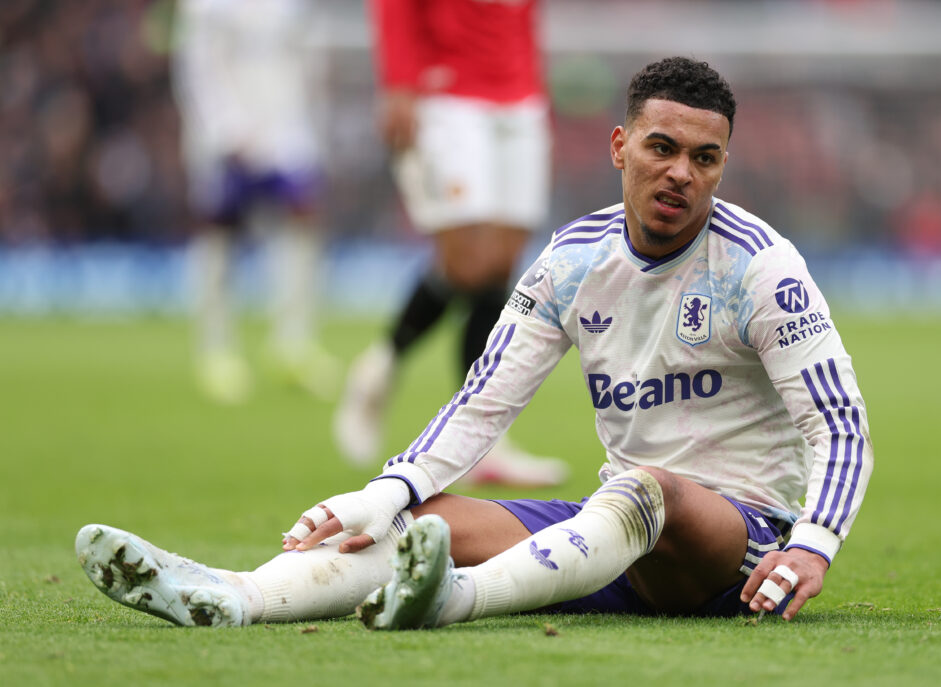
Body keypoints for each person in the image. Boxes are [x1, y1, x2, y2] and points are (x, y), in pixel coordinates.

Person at [76, 57, 873, 629]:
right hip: (615, 540)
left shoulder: (761, 267)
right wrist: (388, 491)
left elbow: (838, 424)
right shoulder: (571, 261)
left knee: (647, 488)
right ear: (620, 145)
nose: (681, 175)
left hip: (739, 548)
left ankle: (454, 600)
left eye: (704, 159)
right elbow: (483, 400)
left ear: (723, 165)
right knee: (427, 525)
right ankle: (233, 594)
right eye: (663, 148)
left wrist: (812, 546)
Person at [332, 0, 567, 486]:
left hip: (519, 97)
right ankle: (382, 367)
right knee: (469, 261)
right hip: (448, 94)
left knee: (502, 267)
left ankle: (484, 446)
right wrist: (399, 84)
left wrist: (532, 83)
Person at [174, 0, 339, 404]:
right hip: (230, 133)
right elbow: (197, 64)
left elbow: (299, 57)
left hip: (285, 128)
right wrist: (225, 128)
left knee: (302, 221)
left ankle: (292, 343)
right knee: (220, 231)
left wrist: (309, 125)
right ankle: (217, 350)